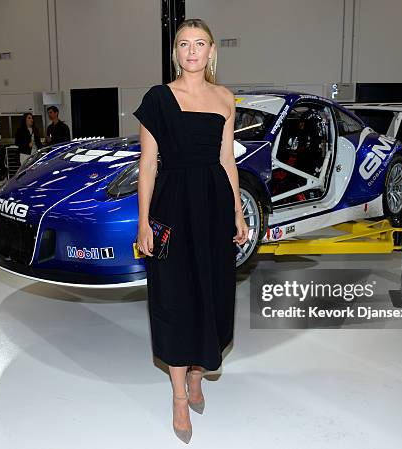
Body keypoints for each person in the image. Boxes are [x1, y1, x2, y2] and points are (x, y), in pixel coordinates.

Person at [133, 18, 248, 444]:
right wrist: (144, 221)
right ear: (176, 52)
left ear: (212, 51)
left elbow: (227, 161)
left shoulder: (224, 98)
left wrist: (237, 211)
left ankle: (198, 373)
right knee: (174, 295)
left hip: (215, 206)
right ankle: (179, 395)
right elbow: (147, 165)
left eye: (200, 44)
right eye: (184, 44)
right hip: (172, 206)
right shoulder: (159, 99)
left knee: (212, 292)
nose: (193, 51)